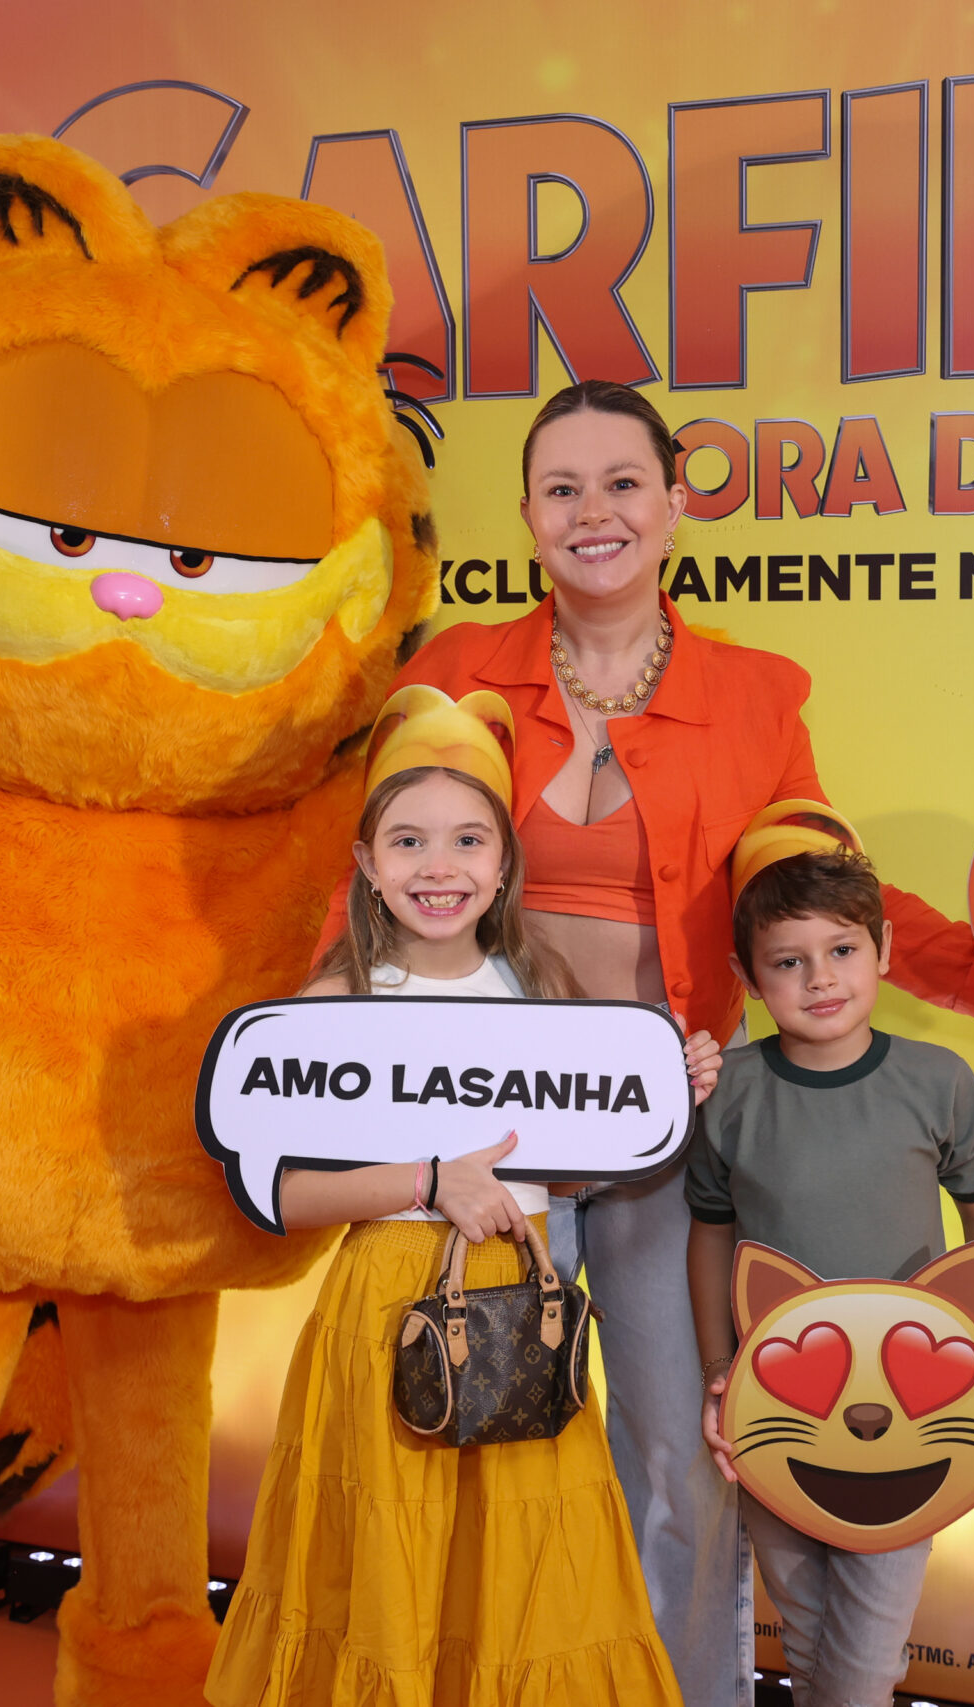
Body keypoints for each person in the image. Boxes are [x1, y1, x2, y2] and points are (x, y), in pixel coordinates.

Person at [316, 378, 974, 1703]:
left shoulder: (752, 698)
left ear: (674, 501)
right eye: (563, 487)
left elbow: (824, 892)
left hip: (670, 1134)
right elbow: (365, 872)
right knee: (464, 1435)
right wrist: (307, 1035)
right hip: (479, 1136)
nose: (594, 511)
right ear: (527, 513)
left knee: (684, 1462)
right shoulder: (458, 667)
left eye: (622, 483)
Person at [209, 685, 719, 1707]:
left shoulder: (542, 990)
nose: (438, 868)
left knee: (521, 1560)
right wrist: (429, 1183)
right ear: (367, 863)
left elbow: (568, 1160)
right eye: (408, 842)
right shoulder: (336, 1002)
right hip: (384, 1302)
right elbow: (273, 1191)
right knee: (392, 1556)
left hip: (520, 1295)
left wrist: (667, 1091)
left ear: (503, 863)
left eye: (467, 841)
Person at [686, 813, 974, 1705]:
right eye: (788, 961)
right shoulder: (730, 1095)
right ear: (747, 978)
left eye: (841, 950)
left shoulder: (938, 1081)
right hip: (779, 1406)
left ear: (882, 949)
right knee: (808, 1645)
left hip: (914, 1410)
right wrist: (721, 1369)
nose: (820, 978)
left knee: (866, 1662)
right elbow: (711, 1232)